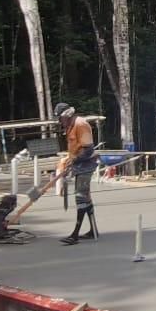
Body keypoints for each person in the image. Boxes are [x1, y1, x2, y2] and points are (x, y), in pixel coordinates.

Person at [55, 102, 99, 244]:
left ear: (66, 116)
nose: (59, 121)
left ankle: (75, 234)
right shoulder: (70, 126)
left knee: (80, 198)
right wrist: (70, 160)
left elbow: (88, 149)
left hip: (86, 165)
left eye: (60, 118)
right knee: (85, 198)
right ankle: (93, 230)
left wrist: (74, 160)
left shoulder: (80, 124)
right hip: (79, 164)